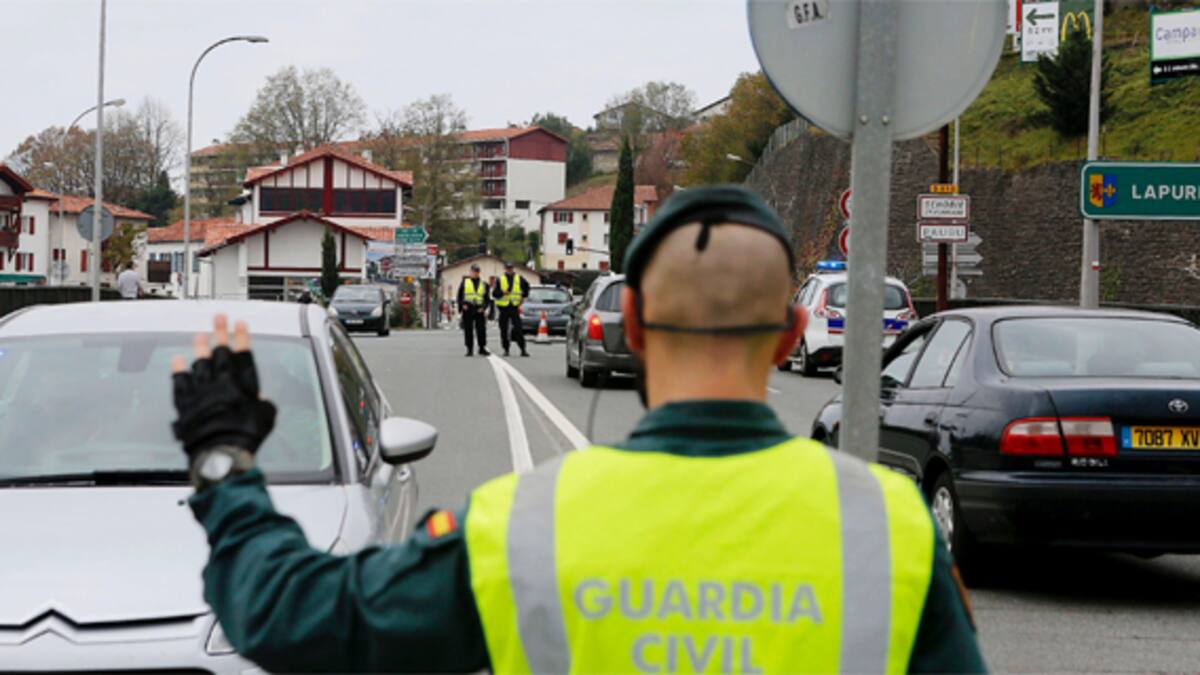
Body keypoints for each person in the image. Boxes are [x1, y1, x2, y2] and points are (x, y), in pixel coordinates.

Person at [171, 186, 984, 673]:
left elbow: (295, 619)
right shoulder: (893, 530)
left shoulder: (522, 526)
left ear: (633, 323)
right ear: (790, 334)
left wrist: (224, 458)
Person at [492, 261, 530, 357]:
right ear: (505, 269)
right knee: (504, 330)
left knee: (518, 329)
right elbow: (494, 294)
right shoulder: (500, 279)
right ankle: (506, 349)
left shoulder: (519, 278)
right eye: (508, 268)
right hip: (503, 308)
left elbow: (527, 287)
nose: (509, 270)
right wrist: (502, 292)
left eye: (511, 268)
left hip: (514, 307)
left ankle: (523, 349)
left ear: (513, 268)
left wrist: (523, 296)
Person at [457, 263, 491, 357]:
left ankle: (482, 348)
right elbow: (459, 296)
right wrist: (462, 305)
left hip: (479, 309)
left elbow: (487, 299)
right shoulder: (465, 282)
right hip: (468, 308)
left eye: (476, 271)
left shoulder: (484, 284)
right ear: (470, 272)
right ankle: (469, 349)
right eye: (473, 271)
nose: (474, 273)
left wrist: (483, 308)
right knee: (468, 330)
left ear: (479, 273)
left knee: (481, 330)